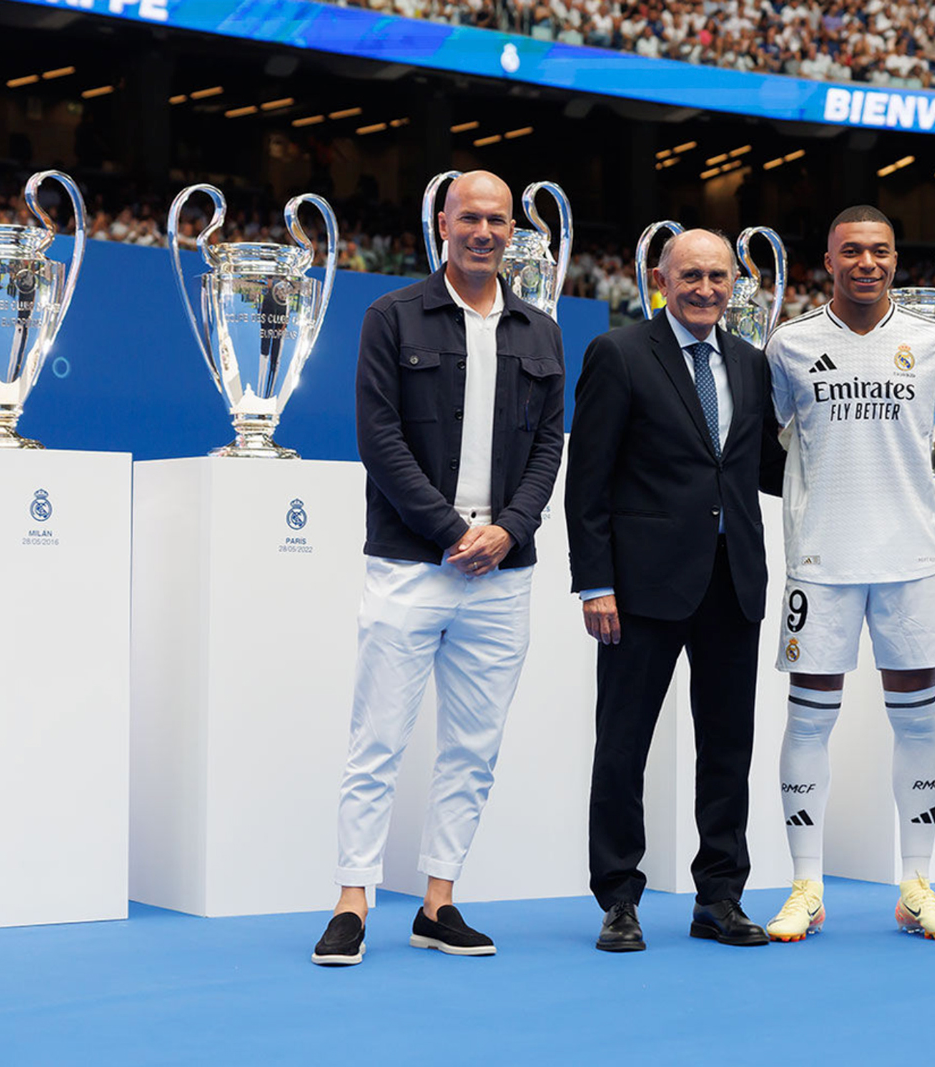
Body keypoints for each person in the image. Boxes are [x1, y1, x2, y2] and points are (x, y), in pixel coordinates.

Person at [310, 171, 565, 966]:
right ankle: (352, 900)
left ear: (512, 229)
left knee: (473, 746)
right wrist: (457, 530)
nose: (484, 231)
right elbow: (377, 436)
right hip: (411, 563)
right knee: (377, 737)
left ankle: (438, 902)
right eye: (470, 218)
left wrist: (509, 530)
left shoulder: (540, 329)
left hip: (505, 574)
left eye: (498, 219)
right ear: (443, 225)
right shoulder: (391, 317)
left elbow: (551, 441)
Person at [760, 205, 935, 943]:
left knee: (918, 717)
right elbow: (754, 443)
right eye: (851, 251)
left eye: (880, 252)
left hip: (912, 560)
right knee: (806, 718)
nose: (866, 263)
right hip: (819, 560)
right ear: (828, 259)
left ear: (896, 259)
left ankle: (916, 882)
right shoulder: (788, 346)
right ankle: (806, 884)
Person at [566, 228, 785, 953]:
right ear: (661, 278)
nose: (705, 288)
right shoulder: (619, 353)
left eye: (718, 276)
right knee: (623, 744)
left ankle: (720, 895)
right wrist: (595, 581)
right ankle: (619, 897)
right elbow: (588, 480)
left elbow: (766, 469)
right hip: (639, 587)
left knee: (729, 746)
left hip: (733, 582)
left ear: (733, 285)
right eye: (690, 274)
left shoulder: (752, 364)